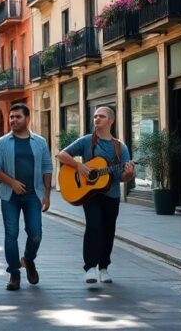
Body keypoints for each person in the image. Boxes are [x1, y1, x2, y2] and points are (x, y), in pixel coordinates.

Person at [57, 106, 134, 285]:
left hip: (112, 194)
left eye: (101, 116)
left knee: (108, 230)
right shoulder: (86, 141)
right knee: (93, 226)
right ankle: (90, 267)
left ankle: (104, 267)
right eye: (95, 116)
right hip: (90, 194)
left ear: (111, 121)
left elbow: (122, 176)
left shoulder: (120, 147)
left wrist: (128, 174)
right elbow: (61, 155)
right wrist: (79, 166)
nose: (97, 119)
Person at [0, 103, 53, 291]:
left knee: (35, 234)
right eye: (11, 117)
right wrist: (12, 183)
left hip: (34, 195)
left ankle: (28, 259)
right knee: (11, 234)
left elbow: (47, 168)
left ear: (27, 119)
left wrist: (47, 195)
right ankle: (14, 274)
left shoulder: (40, 142)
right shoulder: (2, 142)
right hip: (10, 196)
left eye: (17, 117)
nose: (13, 120)